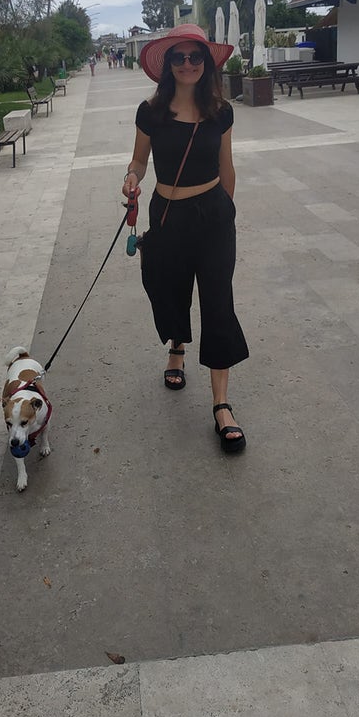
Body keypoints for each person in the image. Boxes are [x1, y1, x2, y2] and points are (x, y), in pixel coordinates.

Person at [121, 24, 249, 453]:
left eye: (196, 57)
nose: (188, 64)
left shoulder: (220, 112)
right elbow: (140, 161)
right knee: (168, 289)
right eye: (179, 57)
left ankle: (221, 405)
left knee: (218, 302)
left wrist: (226, 213)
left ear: (206, 63)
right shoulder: (151, 112)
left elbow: (227, 166)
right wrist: (132, 177)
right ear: (168, 65)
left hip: (213, 215)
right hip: (167, 214)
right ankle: (176, 346)